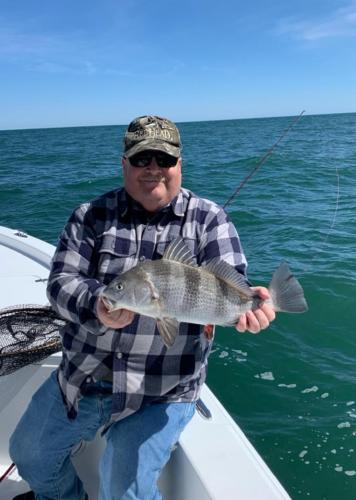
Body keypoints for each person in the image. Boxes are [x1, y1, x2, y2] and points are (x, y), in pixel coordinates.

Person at [9, 115, 275, 500]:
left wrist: (252, 308)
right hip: (83, 377)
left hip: (162, 390)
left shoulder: (209, 218)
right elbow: (60, 283)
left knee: (123, 492)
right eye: (141, 159)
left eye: (164, 160)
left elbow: (233, 280)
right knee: (28, 455)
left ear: (179, 164)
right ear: (124, 164)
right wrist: (98, 305)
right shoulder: (90, 216)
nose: (153, 170)